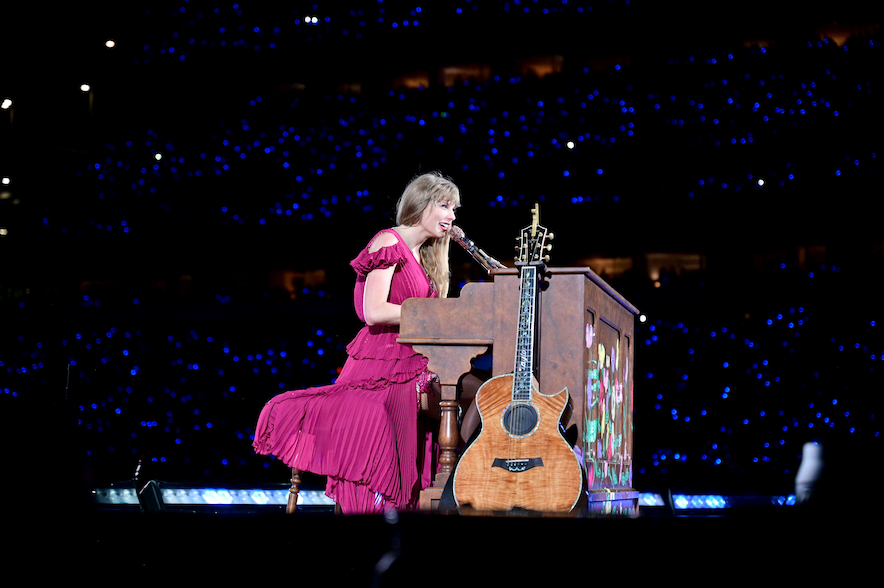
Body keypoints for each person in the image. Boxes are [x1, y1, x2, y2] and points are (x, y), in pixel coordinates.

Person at [253, 172, 460, 514]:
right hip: (382, 363)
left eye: (454, 208)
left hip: (414, 361)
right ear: (421, 204)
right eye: (444, 205)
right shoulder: (387, 242)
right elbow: (373, 311)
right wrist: (431, 314)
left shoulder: (424, 256)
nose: (452, 216)